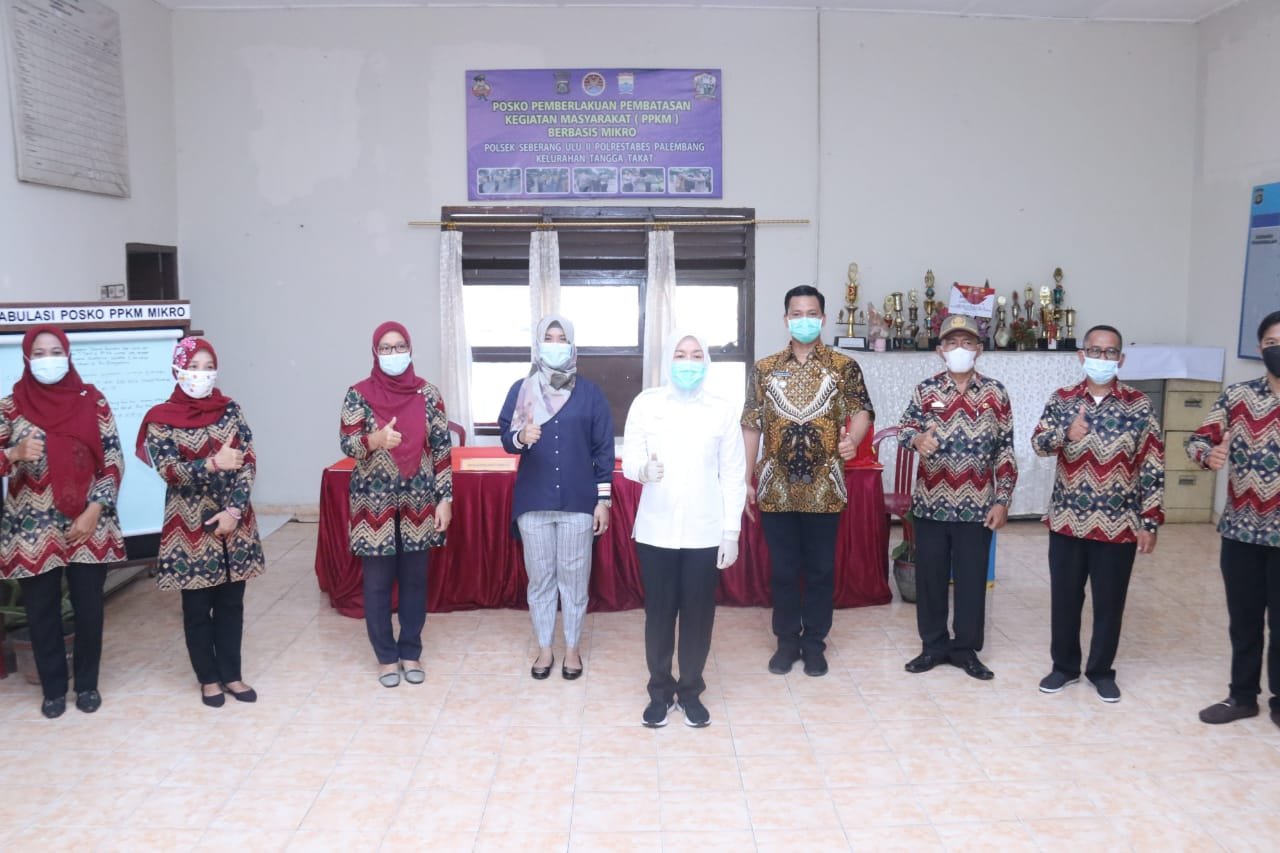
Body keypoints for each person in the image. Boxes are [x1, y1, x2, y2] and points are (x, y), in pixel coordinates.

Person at [742, 285, 872, 677]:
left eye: (811, 313)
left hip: (825, 487)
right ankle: (786, 641)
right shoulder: (765, 369)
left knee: (819, 570)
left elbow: (862, 411)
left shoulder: (843, 366)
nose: (804, 320)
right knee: (782, 570)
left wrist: (854, 439)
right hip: (776, 488)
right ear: (786, 319)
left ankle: (814, 643)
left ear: (823, 318)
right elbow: (751, 425)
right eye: (796, 314)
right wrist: (746, 478)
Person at [1031, 324, 1163, 703]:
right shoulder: (1062, 399)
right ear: (1081, 356)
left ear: (1121, 359)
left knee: (1109, 603)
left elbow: (1153, 463)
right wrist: (1064, 434)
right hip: (1067, 521)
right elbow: (1038, 443)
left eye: (1109, 352)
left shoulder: (1139, 404)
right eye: (1095, 351)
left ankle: (1101, 671)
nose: (1102, 358)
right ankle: (1064, 667)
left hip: (1118, 525)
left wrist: (1150, 521)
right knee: (1065, 600)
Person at [0, 325, 125, 718]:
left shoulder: (93, 401)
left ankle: (87, 685)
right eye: (39, 353)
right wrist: (14, 453)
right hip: (32, 528)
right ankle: (53, 690)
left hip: (89, 521)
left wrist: (94, 510)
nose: (48, 359)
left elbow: (113, 461)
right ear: (26, 358)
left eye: (56, 351)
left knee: (90, 609)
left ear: (68, 355)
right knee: (42, 611)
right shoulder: (10, 408)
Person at [622, 330, 746, 728]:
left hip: (704, 531)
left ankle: (690, 691)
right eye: (680, 354)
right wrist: (642, 470)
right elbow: (629, 458)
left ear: (705, 361)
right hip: (656, 530)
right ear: (668, 360)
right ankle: (659, 691)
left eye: (695, 355)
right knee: (659, 614)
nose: (688, 362)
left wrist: (731, 533)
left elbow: (733, 475)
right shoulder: (647, 404)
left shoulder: (722, 410)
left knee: (697, 615)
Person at [137, 336, 265, 707]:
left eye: (208, 367)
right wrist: (210, 464)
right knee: (196, 608)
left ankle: (232, 674)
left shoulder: (230, 409)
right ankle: (208, 679)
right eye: (193, 367)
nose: (201, 374)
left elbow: (248, 461)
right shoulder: (161, 418)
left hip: (234, 524)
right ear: (177, 370)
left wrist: (234, 511)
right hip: (189, 529)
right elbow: (168, 470)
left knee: (231, 604)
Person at [897, 314, 1016, 680]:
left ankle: (965, 650)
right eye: (951, 343)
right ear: (940, 351)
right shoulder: (926, 390)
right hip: (931, 504)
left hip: (977, 507)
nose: (959, 349)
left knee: (971, 582)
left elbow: (1005, 450)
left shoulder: (996, 393)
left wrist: (1003, 500)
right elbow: (904, 430)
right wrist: (917, 439)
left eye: (967, 342)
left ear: (978, 349)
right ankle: (933, 647)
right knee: (930, 581)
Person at [499, 314, 614, 680]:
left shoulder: (590, 393)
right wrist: (521, 438)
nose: (554, 344)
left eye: (561, 338)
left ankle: (573, 648)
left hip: (579, 502)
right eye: (548, 337)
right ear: (538, 344)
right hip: (534, 501)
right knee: (541, 580)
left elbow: (604, 450)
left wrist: (603, 501)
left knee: (575, 581)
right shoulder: (523, 390)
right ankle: (545, 648)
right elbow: (506, 438)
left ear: (572, 344)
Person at [340, 321, 452, 688]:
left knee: (415, 581)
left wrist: (445, 499)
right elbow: (348, 443)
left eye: (400, 346)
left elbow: (442, 449)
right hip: (373, 506)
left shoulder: (428, 394)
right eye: (386, 348)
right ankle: (386, 657)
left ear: (410, 349)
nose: (393, 353)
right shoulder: (358, 394)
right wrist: (374, 440)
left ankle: (410, 651)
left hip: (420, 502)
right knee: (376, 584)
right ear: (375, 352)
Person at [1189, 310, 1280, 727]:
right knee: (1244, 621)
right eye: (1272, 343)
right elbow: (1197, 439)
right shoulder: (1238, 396)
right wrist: (1208, 455)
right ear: (1260, 349)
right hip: (1242, 530)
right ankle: (1242, 696)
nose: (1277, 349)